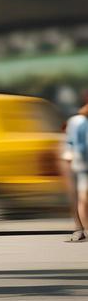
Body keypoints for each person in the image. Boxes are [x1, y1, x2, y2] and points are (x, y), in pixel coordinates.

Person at [67, 95, 88, 243]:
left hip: (81, 163)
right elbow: (73, 144)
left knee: (83, 196)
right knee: (84, 196)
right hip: (83, 164)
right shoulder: (77, 122)